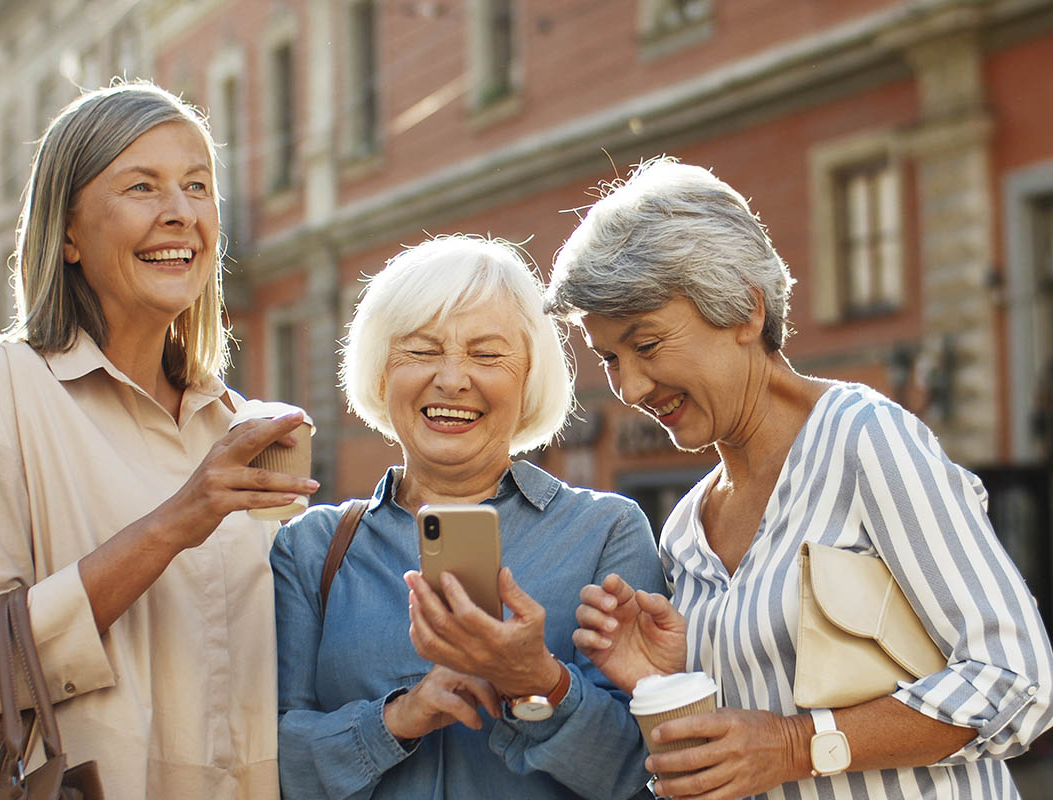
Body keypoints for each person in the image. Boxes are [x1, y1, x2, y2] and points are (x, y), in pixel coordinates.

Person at [545, 156, 1053, 800]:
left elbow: (1017, 680)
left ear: (745, 312)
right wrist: (665, 684)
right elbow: (740, 753)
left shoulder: (865, 437)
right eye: (610, 359)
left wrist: (793, 745)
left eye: (646, 346)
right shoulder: (685, 530)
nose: (631, 387)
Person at [0, 82, 318, 799]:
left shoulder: (239, 425)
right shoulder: (2, 387)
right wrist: (173, 524)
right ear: (67, 232)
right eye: (142, 186)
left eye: (198, 186)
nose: (181, 213)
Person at [271, 234, 664, 799]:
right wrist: (399, 718)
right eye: (422, 350)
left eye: (486, 354)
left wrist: (539, 681)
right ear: (381, 373)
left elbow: (642, 774)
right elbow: (270, 763)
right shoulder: (311, 546)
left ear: (529, 379)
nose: (453, 378)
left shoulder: (607, 531)